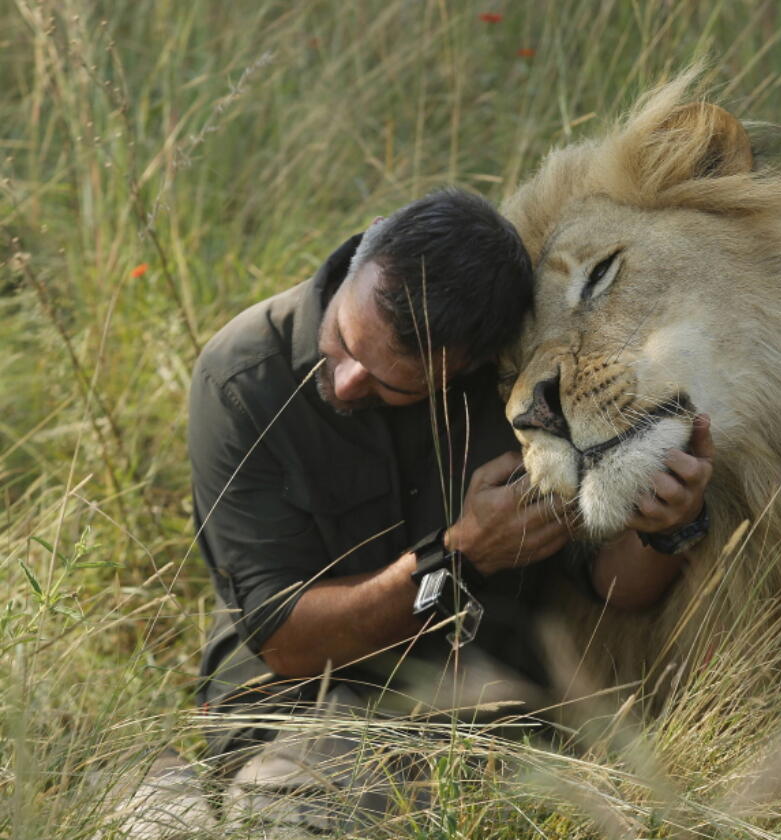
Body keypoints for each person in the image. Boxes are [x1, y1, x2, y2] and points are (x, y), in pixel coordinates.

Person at [163, 188, 715, 835]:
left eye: (389, 382)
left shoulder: (517, 390)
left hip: (488, 720)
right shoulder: (242, 377)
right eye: (343, 338)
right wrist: (460, 557)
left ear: (468, 368)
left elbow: (613, 588)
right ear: (364, 253)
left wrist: (668, 527)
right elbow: (285, 640)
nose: (344, 382)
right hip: (300, 710)